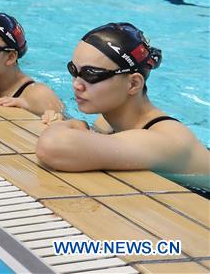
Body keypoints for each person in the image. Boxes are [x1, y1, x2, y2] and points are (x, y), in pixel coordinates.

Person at [36, 23, 209, 195]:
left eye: (91, 74)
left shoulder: (164, 139)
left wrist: (74, 125)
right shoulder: (107, 121)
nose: (76, 84)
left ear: (133, 84)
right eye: (73, 70)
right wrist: (61, 121)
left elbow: (52, 147)